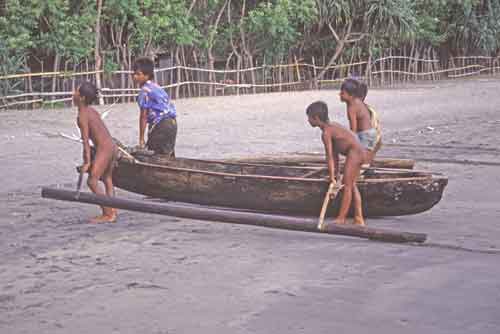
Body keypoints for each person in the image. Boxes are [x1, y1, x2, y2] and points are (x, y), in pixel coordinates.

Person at [306, 101, 366, 226]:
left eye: (309, 118)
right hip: (359, 150)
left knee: (347, 185)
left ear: (316, 118)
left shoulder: (326, 133)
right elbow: (335, 155)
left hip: (356, 152)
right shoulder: (332, 127)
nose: (308, 120)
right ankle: (359, 217)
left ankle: (341, 218)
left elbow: (329, 156)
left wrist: (333, 175)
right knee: (352, 185)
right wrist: (334, 174)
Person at [74, 82, 117, 223]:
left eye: (76, 91)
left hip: (104, 148)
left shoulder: (82, 115)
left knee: (92, 181)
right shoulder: (91, 111)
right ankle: (113, 210)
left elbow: (85, 140)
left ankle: (108, 213)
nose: (72, 94)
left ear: (82, 98)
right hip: (112, 146)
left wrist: (87, 162)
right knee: (106, 179)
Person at [133, 57, 177, 157]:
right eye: (134, 73)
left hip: (161, 126)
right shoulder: (156, 86)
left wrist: (141, 139)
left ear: (147, 75)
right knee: (167, 155)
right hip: (172, 124)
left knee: (155, 157)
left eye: (138, 74)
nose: (134, 77)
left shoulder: (144, 91)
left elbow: (143, 116)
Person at [340, 78, 381, 165]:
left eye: (342, 93)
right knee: (365, 159)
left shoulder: (351, 107)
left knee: (358, 160)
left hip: (365, 135)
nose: (339, 95)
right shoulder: (359, 103)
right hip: (371, 134)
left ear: (351, 95)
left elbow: (353, 131)